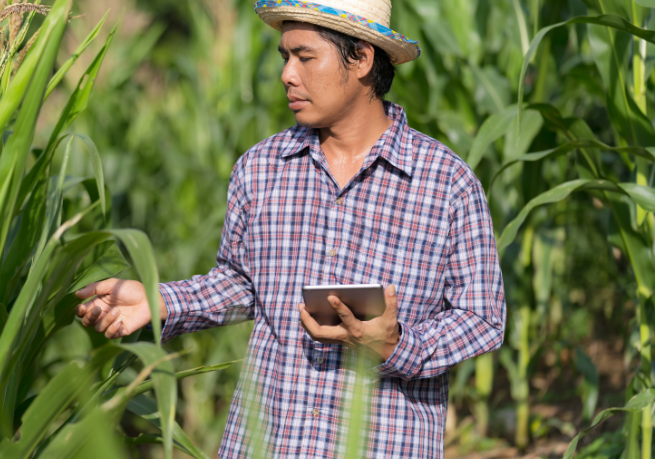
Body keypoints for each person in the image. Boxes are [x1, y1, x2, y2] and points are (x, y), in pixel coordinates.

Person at [76, 0, 506, 457]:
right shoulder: (260, 168)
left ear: (362, 58)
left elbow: (482, 319)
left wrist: (397, 345)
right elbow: (242, 285)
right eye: (285, 57)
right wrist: (160, 300)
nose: (287, 74)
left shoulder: (446, 182)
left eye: (305, 57)